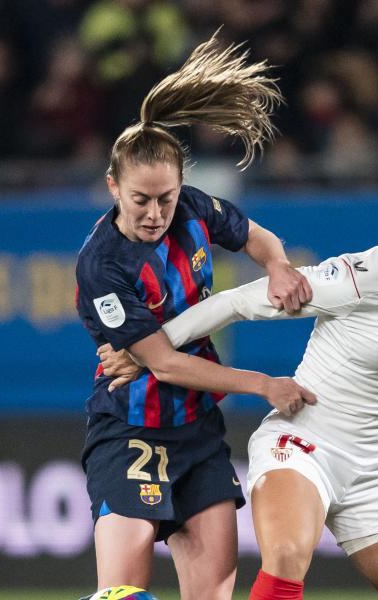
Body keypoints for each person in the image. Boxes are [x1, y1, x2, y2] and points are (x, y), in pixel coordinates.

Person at [100, 171, 378, 600]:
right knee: (286, 558)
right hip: (302, 445)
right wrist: (150, 349)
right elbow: (236, 302)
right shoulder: (357, 277)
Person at [74, 34, 317, 600]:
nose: (156, 212)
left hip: (198, 433)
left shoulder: (194, 208)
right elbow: (161, 363)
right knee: (120, 596)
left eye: (166, 196)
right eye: (141, 199)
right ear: (113, 188)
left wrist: (278, 266)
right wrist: (262, 385)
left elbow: (257, 236)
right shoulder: (101, 265)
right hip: (129, 431)